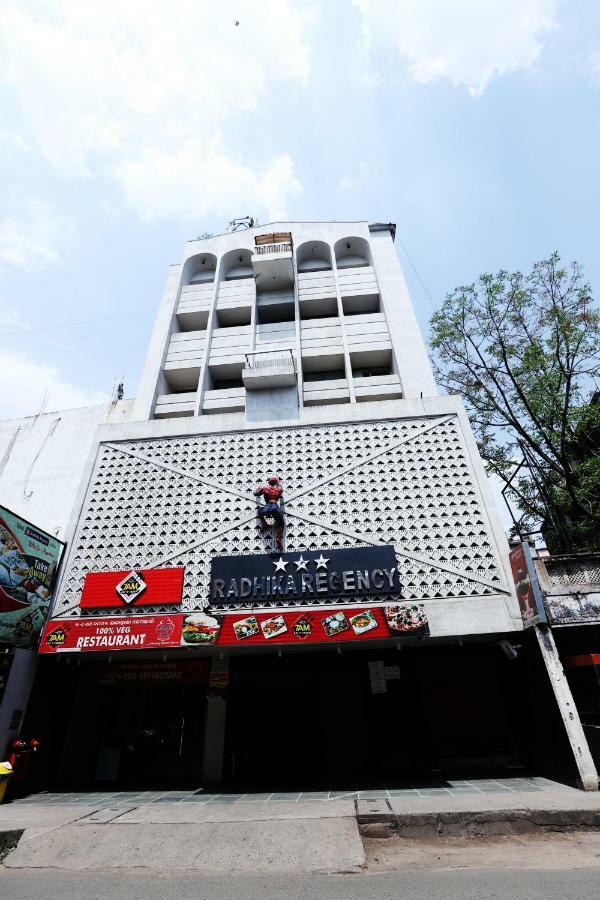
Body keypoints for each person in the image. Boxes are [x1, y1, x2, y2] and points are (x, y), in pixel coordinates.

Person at [254, 476, 285, 549]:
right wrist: (278, 482)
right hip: (275, 507)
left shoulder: (265, 488)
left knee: (259, 511)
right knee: (281, 523)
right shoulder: (279, 490)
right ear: (276, 483)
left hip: (268, 507)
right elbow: (281, 488)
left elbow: (255, 493)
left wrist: (257, 489)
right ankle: (279, 539)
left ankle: (264, 523)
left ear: (269, 482)